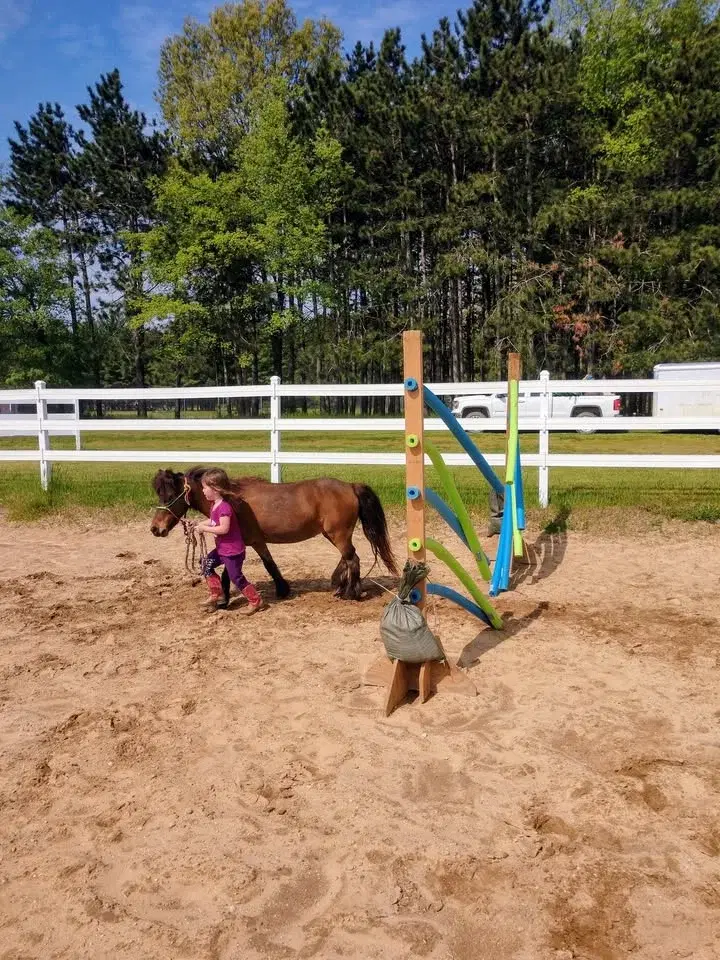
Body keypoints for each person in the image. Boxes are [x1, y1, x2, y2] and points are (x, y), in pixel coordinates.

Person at [192, 468, 265, 615]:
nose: (203, 491)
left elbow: (224, 528)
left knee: (236, 577)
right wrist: (198, 524)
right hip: (222, 549)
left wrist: (205, 529)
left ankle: (256, 600)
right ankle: (216, 593)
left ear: (216, 489)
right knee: (206, 564)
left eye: (205, 488)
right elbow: (213, 521)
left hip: (232, 551)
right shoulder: (215, 505)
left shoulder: (224, 507)